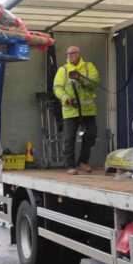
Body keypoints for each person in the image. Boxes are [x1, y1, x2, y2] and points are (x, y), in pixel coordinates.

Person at [53, 45, 100, 175]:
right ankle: (70, 166)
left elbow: (95, 82)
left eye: (72, 53)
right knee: (69, 139)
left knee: (91, 135)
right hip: (70, 110)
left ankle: (83, 160)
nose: (70, 55)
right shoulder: (63, 70)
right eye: (68, 53)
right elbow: (57, 88)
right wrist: (65, 98)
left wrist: (80, 79)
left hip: (88, 110)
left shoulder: (89, 67)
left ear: (79, 54)